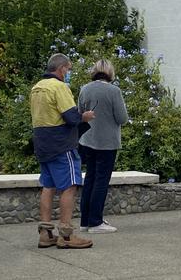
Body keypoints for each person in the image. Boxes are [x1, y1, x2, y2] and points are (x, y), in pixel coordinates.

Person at [30, 53, 94, 249]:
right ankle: (66, 235)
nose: (69, 73)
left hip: (41, 141)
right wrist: (86, 116)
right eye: (69, 69)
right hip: (61, 143)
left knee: (48, 185)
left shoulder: (36, 88)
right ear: (61, 69)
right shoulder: (59, 87)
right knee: (70, 185)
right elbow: (71, 118)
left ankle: (45, 232)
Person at [77, 59, 128, 233]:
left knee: (90, 178)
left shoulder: (85, 89)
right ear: (110, 73)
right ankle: (96, 221)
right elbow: (122, 118)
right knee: (101, 181)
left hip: (87, 139)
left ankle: (85, 220)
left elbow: (79, 113)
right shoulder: (114, 91)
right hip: (107, 142)